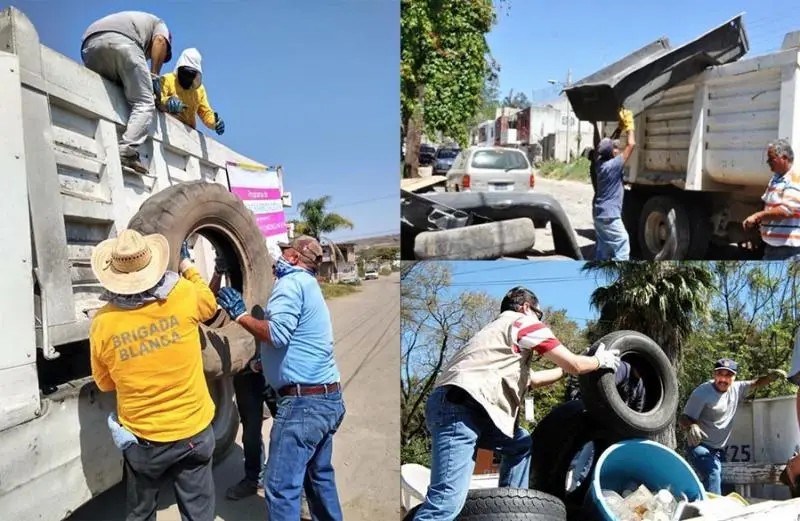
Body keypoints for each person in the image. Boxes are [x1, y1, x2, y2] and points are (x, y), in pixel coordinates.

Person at [411, 286, 622, 521]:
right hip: (460, 412)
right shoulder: (522, 323)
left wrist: (567, 370)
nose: (541, 322)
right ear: (525, 308)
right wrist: (598, 360)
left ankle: (509, 509)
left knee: (520, 444)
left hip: (472, 410)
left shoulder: (495, 340)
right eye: (539, 315)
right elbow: (575, 364)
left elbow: (532, 379)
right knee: (446, 503)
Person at [88, 230, 217, 521]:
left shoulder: (103, 322)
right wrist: (187, 267)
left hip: (145, 441)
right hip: (194, 432)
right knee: (199, 515)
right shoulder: (182, 294)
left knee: (141, 513)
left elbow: (105, 383)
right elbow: (210, 304)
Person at [215, 235, 345, 520]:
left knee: (280, 486)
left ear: (295, 258)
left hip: (304, 406)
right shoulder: (309, 284)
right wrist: (268, 365)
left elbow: (276, 334)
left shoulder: (290, 284)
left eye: (285, 251)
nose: (279, 256)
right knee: (318, 478)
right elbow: (301, 340)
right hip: (327, 398)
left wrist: (240, 316)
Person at [81, 11, 173, 174]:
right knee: (145, 103)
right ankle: (126, 149)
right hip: (122, 41)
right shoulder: (160, 24)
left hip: (89, 47)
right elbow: (160, 40)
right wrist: (154, 76)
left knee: (121, 88)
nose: (154, 58)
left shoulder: (137, 22)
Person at [680, 358, 786, 495]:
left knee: (728, 487)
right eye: (720, 374)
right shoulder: (702, 393)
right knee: (713, 475)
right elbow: (683, 418)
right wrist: (692, 426)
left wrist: (771, 377)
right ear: (714, 374)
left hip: (719, 451)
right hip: (700, 446)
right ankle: (714, 514)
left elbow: (755, 383)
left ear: (734, 377)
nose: (723, 379)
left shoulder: (737, 388)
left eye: (728, 375)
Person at [744, 139, 800, 260]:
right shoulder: (776, 178)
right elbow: (767, 203)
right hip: (772, 247)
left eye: (771, 159)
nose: (768, 162)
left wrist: (757, 216)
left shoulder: (795, 178)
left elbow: (785, 211)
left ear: (784, 158)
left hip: (788, 252)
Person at [593, 109, 636, 261]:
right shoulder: (614, 165)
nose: (618, 148)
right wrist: (630, 125)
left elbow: (606, 145)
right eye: (615, 148)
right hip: (610, 216)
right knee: (623, 245)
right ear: (612, 153)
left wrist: (619, 128)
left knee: (603, 249)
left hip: (599, 214)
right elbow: (631, 144)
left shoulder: (599, 164)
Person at [159, 48, 225, 135]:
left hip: (187, 133)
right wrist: (167, 102)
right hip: (167, 128)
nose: (187, 77)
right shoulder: (167, 79)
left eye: (191, 74)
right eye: (186, 73)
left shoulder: (199, 90)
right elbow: (157, 99)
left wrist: (214, 122)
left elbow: (205, 112)